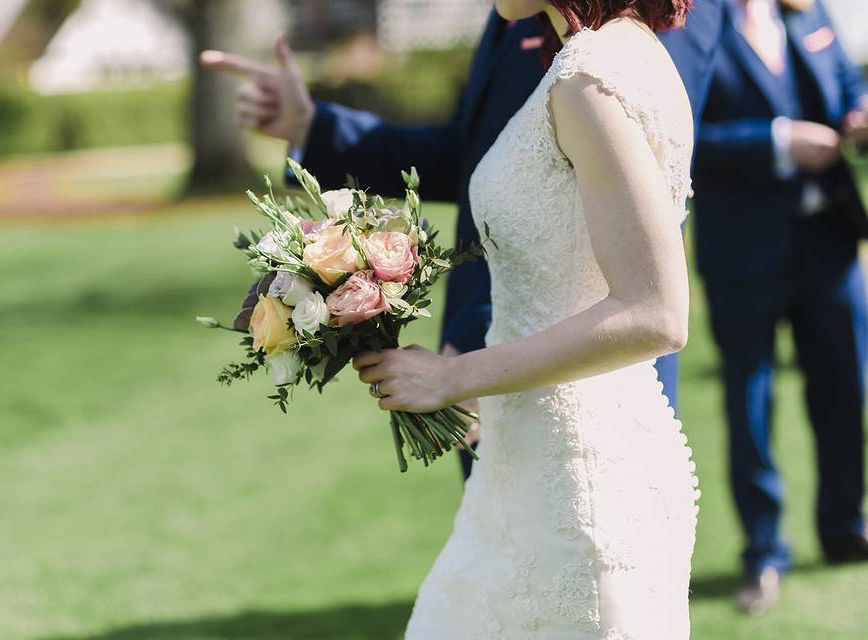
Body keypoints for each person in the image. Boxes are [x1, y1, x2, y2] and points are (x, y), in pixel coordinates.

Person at [201, 0, 724, 479]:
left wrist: (460, 370)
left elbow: (635, 274)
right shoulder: (563, 38)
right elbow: (492, 157)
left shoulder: (601, 68)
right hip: (510, 394)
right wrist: (315, 128)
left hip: (570, 417)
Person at [347, 0, 700, 635]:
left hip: (577, 485)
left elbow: (657, 312)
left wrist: (455, 379)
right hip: (527, 462)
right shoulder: (613, 54)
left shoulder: (590, 80)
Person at [693, 0, 868, 615]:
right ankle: (763, 553)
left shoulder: (807, 7)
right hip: (743, 248)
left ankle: (846, 529)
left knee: (847, 389)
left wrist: (860, 107)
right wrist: (776, 141)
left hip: (831, 242)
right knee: (752, 402)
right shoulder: (692, 19)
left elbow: (847, 79)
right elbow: (679, 129)